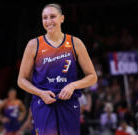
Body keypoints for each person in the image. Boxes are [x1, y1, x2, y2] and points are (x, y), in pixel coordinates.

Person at [18, 3, 97, 135]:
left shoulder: (74, 42)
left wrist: (73, 85)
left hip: (68, 102)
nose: (48, 21)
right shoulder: (33, 45)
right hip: (43, 102)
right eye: (45, 17)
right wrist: (40, 93)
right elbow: (21, 80)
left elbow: (92, 77)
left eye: (52, 16)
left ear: (62, 18)